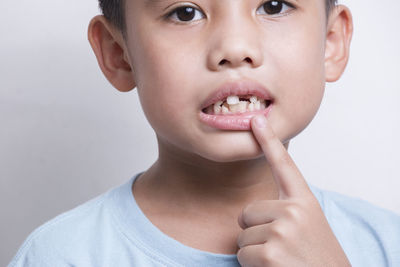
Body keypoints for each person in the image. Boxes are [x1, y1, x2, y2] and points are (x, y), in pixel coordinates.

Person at [8, 0, 400, 266]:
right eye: (185, 13)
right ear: (117, 52)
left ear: (331, 42)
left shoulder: (388, 243)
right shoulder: (63, 255)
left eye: (274, 5)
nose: (234, 47)